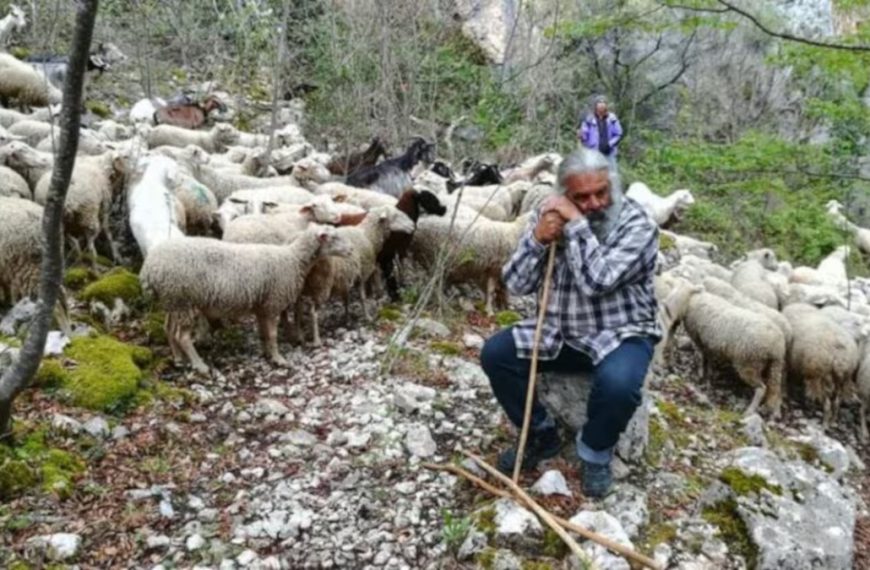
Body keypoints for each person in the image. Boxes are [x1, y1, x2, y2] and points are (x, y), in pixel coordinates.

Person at [479, 148, 660, 498]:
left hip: (620, 331)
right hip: (560, 330)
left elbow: (599, 282)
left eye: (601, 193)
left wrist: (575, 226)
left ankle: (595, 451)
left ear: (614, 187)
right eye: (581, 197)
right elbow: (516, 283)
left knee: (619, 385)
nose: (593, 203)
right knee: (495, 354)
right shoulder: (548, 216)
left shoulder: (638, 225)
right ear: (564, 195)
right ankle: (539, 435)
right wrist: (537, 241)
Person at [578, 96, 623, 171]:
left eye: (603, 102)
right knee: (593, 175)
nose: (601, 105)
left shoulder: (612, 118)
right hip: (593, 154)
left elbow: (618, 133)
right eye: (599, 102)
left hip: (609, 153)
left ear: (606, 105)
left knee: (612, 176)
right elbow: (585, 136)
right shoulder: (589, 119)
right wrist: (582, 136)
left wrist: (610, 144)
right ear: (595, 105)